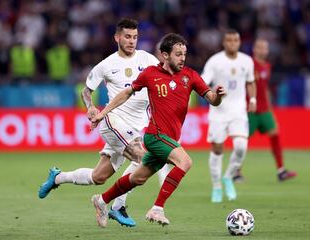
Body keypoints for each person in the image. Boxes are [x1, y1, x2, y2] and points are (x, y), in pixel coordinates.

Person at [89, 33, 225, 228]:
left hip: (169, 138)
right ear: (165, 55)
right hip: (155, 136)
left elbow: (212, 99)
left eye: (184, 53)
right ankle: (157, 208)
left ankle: (101, 200)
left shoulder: (190, 76)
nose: (182, 58)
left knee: (138, 178)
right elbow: (127, 93)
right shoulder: (150, 74)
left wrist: (219, 96)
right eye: (178, 54)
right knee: (185, 161)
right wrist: (103, 113)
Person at [38, 18, 160, 227]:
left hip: (136, 126)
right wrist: (91, 107)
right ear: (117, 37)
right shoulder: (106, 65)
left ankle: (57, 178)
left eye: (135, 37)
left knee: (99, 176)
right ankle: (116, 206)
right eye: (127, 37)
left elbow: (161, 80)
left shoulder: (147, 59)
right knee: (143, 158)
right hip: (113, 121)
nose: (132, 41)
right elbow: (87, 91)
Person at [201, 29, 257, 203]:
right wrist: (214, 94)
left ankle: (228, 176)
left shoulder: (247, 61)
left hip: (238, 111)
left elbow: (250, 82)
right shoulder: (215, 61)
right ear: (224, 42)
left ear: (239, 42)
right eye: (229, 40)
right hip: (218, 112)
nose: (232, 43)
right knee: (217, 150)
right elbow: (203, 83)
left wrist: (253, 99)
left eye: (235, 40)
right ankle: (217, 186)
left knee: (241, 146)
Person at [233, 38, 297, 182]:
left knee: (275, 134)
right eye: (260, 47)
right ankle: (236, 172)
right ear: (254, 49)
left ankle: (281, 171)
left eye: (265, 48)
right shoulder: (248, 64)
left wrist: (269, 106)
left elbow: (265, 88)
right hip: (249, 109)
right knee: (242, 141)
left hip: (264, 109)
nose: (263, 50)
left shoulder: (267, 66)